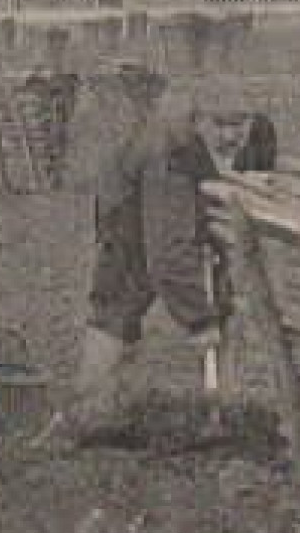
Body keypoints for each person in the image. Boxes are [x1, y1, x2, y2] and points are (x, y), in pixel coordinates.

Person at [51, 79, 230, 442]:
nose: (227, 138)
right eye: (220, 126)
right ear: (194, 118)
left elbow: (206, 195)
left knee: (114, 314)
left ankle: (96, 412)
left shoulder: (178, 139)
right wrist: (199, 317)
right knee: (116, 312)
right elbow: (167, 255)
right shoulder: (167, 156)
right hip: (127, 240)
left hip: (125, 229)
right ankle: (86, 417)